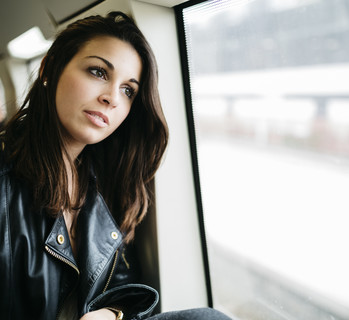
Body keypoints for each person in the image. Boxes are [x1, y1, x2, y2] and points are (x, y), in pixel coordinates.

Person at [0, 11, 230, 320]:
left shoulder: (103, 179)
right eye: (97, 72)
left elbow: (120, 284)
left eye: (128, 90)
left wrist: (110, 313)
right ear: (48, 68)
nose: (112, 98)